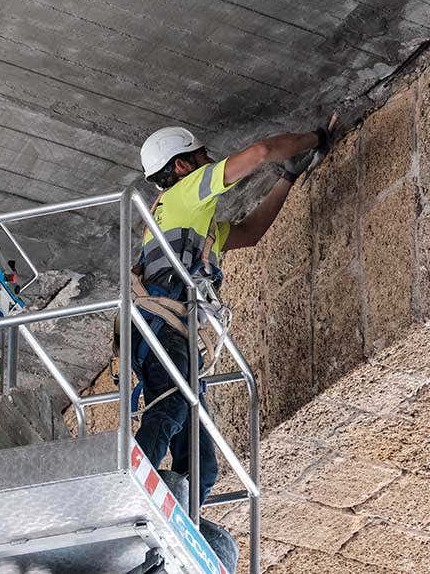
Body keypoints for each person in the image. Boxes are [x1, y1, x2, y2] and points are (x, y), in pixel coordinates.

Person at [132, 124, 327, 501]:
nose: (211, 160)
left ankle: (185, 520)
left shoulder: (187, 221)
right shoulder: (185, 193)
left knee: (203, 465)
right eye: (202, 156)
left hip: (169, 330)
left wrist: (287, 177)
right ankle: (135, 484)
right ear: (182, 166)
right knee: (172, 404)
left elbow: (250, 233)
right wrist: (315, 138)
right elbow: (260, 152)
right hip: (163, 326)